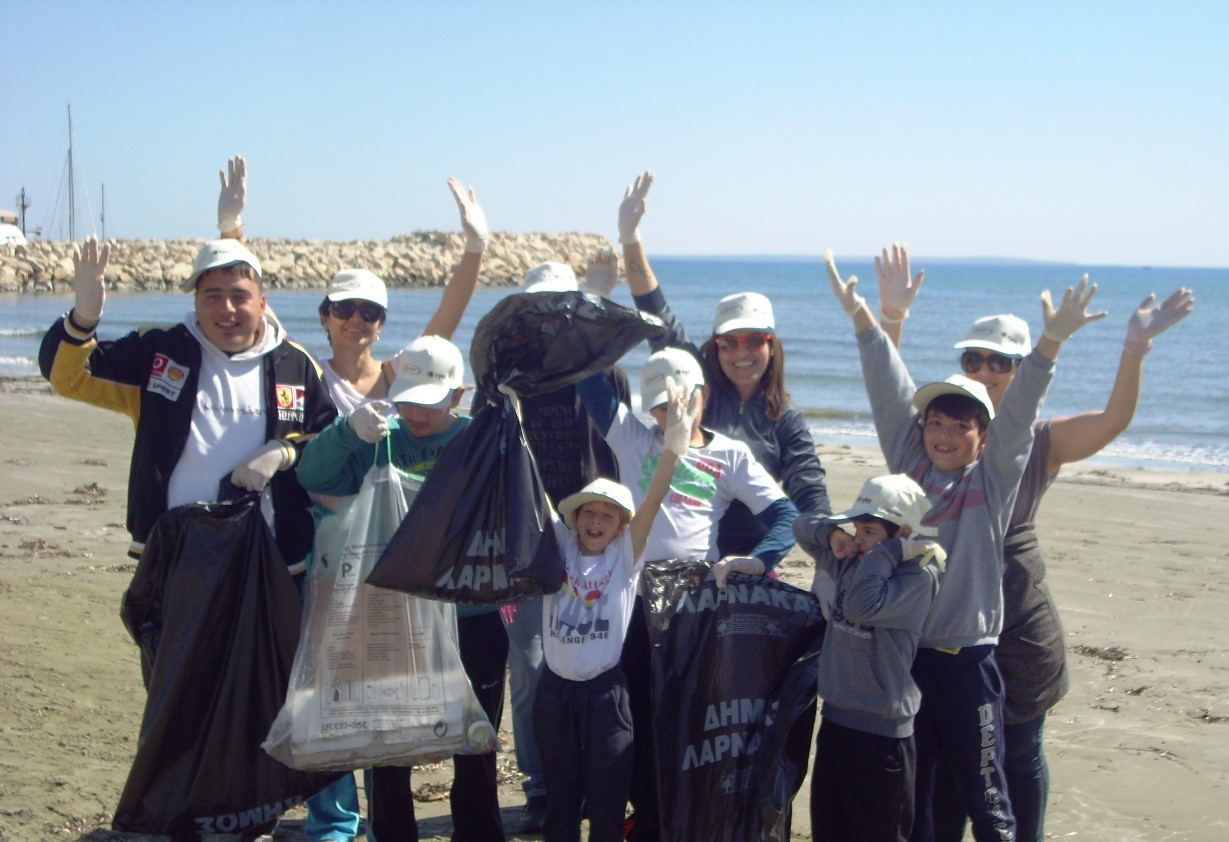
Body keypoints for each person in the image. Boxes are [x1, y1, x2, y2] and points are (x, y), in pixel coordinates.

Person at [873, 245, 1195, 842]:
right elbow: (893, 401)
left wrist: (1135, 349)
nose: (986, 369)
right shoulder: (944, 431)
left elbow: (1113, 421)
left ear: (1021, 371)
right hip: (940, 617)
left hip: (1017, 617)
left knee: (1016, 756)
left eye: (1001, 361)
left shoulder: (1038, 440)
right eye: (974, 357)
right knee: (940, 766)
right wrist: (890, 320)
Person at [824, 250, 1103, 842]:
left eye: (961, 427)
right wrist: (865, 323)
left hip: (971, 662)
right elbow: (888, 387)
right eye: (935, 423)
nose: (944, 435)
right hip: (909, 656)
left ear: (983, 437)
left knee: (985, 789)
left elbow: (1020, 412)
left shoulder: (992, 481)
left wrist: (1048, 348)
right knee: (918, 791)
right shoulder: (908, 467)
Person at [613, 172, 829, 840]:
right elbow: (654, 312)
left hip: (743, 584)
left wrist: (799, 554)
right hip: (677, 580)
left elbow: (805, 501)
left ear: (771, 346)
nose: (741, 351)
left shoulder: (781, 422)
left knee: (732, 715)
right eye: (729, 342)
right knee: (667, 708)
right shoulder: (682, 391)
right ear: (710, 352)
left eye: (754, 341)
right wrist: (630, 239)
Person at [39, 234, 337, 664]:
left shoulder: (295, 363)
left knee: (265, 696)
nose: (227, 309)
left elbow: (329, 446)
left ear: (262, 302)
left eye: (239, 296)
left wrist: (283, 451)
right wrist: (83, 318)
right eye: (212, 296)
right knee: (174, 697)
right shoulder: (160, 349)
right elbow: (67, 377)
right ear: (196, 301)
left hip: (272, 562)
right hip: (173, 559)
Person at [302, 178, 488, 842]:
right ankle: (350, 824)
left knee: (440, 720)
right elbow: (308, 466)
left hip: (422, 583)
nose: (358, 320)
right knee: (357, 715)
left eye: (370, 313)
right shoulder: (302, 370)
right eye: (346, 309)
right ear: (325, 313)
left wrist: (475, 245)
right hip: (342, 568)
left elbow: (448, 322)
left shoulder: (398, 379)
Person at [576, 344, 798, 841]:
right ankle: (644, 815)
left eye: (677, 403)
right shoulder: (632, 435)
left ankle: (680, 815)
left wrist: (759, 560)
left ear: (701, 396)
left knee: (683, 717)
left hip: (692, 604)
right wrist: (600, 319)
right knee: (631, 711)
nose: (666, 415)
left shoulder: (730, 454)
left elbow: (787, 516)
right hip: (630, 594)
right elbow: (588, 379)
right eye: (657, 405)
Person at [296, 335, 506, 842]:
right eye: (408, 398)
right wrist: (348, 431)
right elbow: (311, 473)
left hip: (471, 614)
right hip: (393, 615)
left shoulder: (481, 442)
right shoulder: (381, 439)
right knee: (390, 738)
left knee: (475, 739)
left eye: (431, 403)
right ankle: (392, 833)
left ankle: (478, 832)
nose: (416, 413)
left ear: (457, 396)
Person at [479, 256, 632, 834]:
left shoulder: (604, 372)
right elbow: (484, 460)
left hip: (595, 538)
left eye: (560, 307)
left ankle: (593, 785)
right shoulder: (505, 377)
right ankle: (542, 786)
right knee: (530, 665)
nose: (549, 318)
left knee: (594, 664)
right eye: (539, 308)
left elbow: (623, 450)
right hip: (525, 548)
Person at [534, 379, 698, 842]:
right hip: (555, 697)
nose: (596, 521)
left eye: (608, 516)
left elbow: (653, 499)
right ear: (574, 518)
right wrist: (513, 413)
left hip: (607, 698)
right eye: (588, 512)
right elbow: (531, 483)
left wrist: (672, 449)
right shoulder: (560, 545)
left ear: (621, 527)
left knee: (607, 809)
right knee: (561, 807)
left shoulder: (626, 557)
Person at [794, 474, 946, 842]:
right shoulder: (851, 561)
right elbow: (802, 526)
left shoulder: (918, 578)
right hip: (835, 725)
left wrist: (888, 553)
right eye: (857, 529)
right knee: (830, 832)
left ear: (903, 533)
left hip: (883, 738)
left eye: (869, 531)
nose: (860, 540)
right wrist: (835, 536)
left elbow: (863, 605)